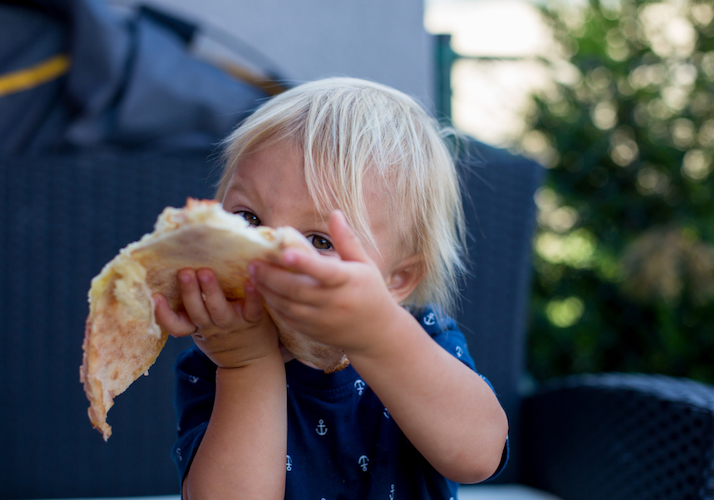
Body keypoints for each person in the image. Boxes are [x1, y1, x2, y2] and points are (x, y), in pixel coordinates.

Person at [153, 77, 509, 499]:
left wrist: (378, 336)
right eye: (248, 218)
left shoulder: (418, 336)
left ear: (396, 281)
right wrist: (246, 364)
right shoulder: (219, 353)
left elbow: (479, 455)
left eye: (319, 240)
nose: (270, 254)